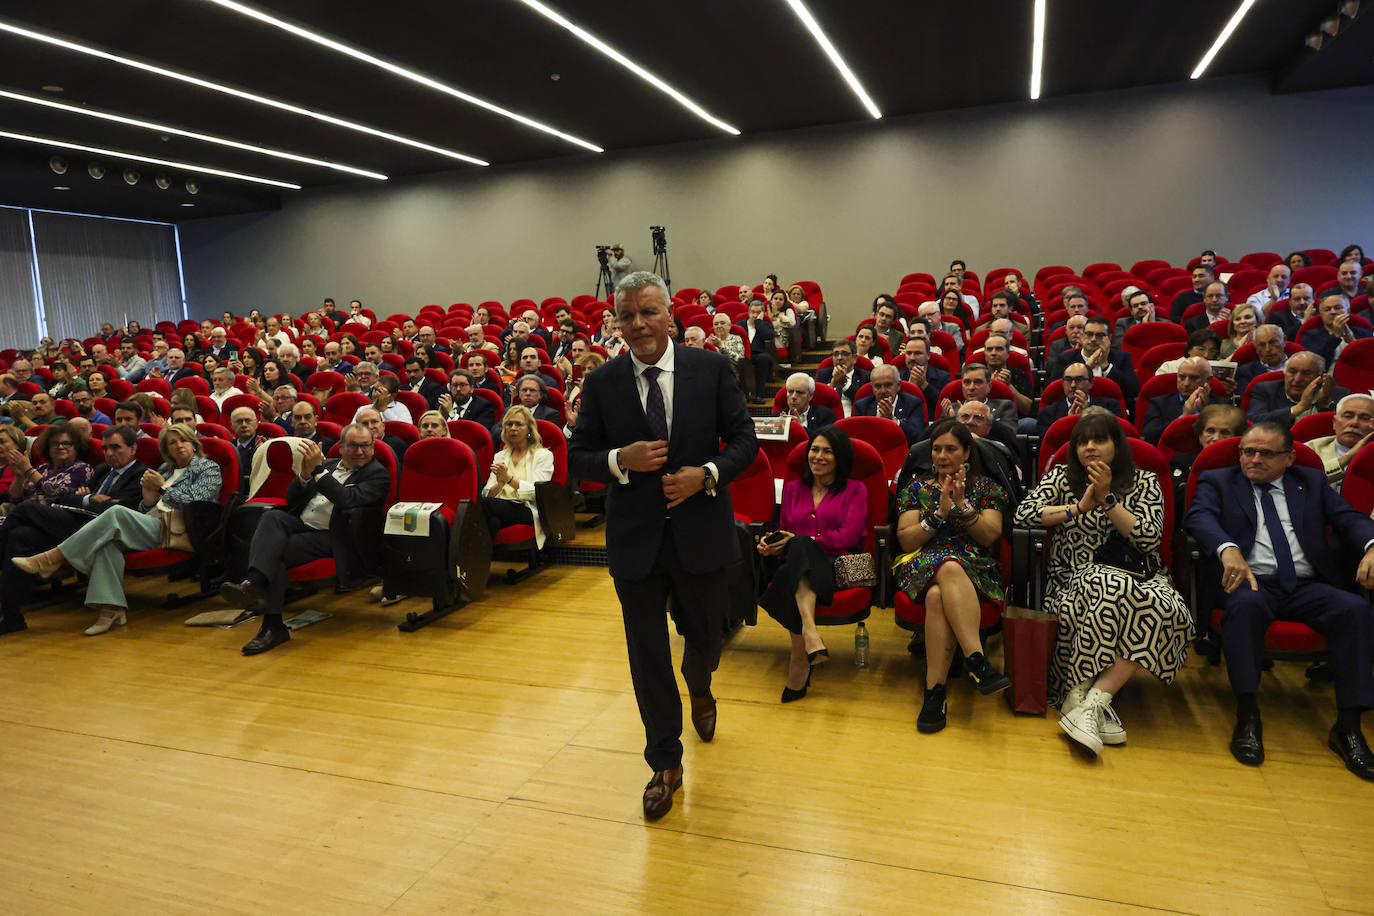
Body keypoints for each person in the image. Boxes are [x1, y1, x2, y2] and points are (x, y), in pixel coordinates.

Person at [567, 271, 757, 820]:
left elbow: (744, 440)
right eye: (627, 316)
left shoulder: (711, 368)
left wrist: (710, 474)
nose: (639, 324)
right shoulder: (602, 382)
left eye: (648, 312)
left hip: (701, 532)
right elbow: (578, 455)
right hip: (635, 541)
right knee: (647, 653)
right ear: (617, 322)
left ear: (670, 315)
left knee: (704, 639)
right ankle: (664, 762)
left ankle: (700, 686)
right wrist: (616, 461)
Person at [1185, 423, 1374, 779]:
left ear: (1289, 458)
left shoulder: (1312, 482)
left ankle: (1348, 728)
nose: (1254, 459)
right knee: (1245, 607)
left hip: (1307, 584)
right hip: (1250, 581)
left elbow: (1350, 519)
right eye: (1247, 451)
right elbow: (1199, 517)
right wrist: (1227, 549)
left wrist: (1372, 546)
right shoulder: (1219, 480)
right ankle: (1248, 716)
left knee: (1356, 610)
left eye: (1266, 454)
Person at [1014, 410, 1192, 755]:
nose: (1090, 447)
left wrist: (1109, 499)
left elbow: (1148, 538)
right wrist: (1078, 508)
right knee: (1107, 583)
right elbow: (1024, 514)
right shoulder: (1063, 478)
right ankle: (1089, 702)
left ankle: (1088, 701)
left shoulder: (1144, 481)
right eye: (1083, 441)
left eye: (1099, 440)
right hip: (1071, 579)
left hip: (1140, 576)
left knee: (1170, 606)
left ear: (1117, 445)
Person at [12, 424, 221, 636]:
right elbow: (145, 507)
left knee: (116, 512)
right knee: (106, 543)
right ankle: (111, 610)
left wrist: (163, 488)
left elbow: (197, 505)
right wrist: (148, 498)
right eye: (171, 443)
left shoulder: (208, 468)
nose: (178, 446)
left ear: (194, 444)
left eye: (182, 441)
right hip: (152, 521)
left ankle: (50, 559)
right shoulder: (165, 470)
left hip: (180, 527)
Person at [220, 423, 390, 655]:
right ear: (340, 448)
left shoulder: (377, 473)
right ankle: (254, 586)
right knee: (273, 517)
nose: (360, 451)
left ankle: (270, 621)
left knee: (276, 553)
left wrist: (318, 471)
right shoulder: (327, 465)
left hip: (336, 537)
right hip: (301, 525)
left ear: (373, 448)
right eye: (353, 446)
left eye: (365, 446)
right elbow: (291, 499)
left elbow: (348, 499)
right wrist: (304, 475)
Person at [893, 420, 1011, 733]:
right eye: (936, 449)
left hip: (976, 565)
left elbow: (989, 536)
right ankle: (977, 660)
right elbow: (906, 540)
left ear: (967, 452)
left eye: (951, 449)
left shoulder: (986, 487)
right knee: (946, 564)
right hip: (922, 562)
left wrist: (960, 504)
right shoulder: (916, 488)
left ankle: (934, 692)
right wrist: (938, 516)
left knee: (936, 596)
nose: (942, 455)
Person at [0, 425, 148, 635]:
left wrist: (85, 500)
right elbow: (67, 498)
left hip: (98, 528)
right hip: (74, 519)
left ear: (133, 449)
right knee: (20, 536)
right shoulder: (102, 470)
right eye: (106, 448)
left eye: (116, 447)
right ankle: (11, 615)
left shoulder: (141, 473)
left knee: (25, 509)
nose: (109, 453)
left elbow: (117, 509)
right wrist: (88, 499)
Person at [756, 426, 866, 701]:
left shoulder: (855, 489)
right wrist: (771, 543)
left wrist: (803, 540)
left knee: (801, 546)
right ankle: (810, 637)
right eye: (814, 449)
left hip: (838, 566)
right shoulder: (793, 489)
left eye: (827, 451)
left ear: (839, 457)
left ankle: (799, 654)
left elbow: (848, 536)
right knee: (797, 552)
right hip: (796, 563)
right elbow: (785, 531)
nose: (818, 456)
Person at [479, 405, 555, 544]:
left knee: (479, 504)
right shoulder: (500, 456)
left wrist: (509, 479)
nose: (513, 428)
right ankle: (482, 564)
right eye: (509, 424)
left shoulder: (543, 455)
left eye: (519, 424)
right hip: (500, 507)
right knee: (493, 522)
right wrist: (500, 485)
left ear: (529, 430)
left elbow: (537, 492)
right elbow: (488, 493)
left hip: (527, 509)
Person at [1, 424, 92, 520]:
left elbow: (55, 492)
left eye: (66, 443)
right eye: (55, 444)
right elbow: (15, 497)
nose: (60, 447)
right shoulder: (42, 468)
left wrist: (28, 470)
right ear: (48, 448)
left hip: (50, 519)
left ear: (77, 447)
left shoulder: (82, 469)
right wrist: (18, 477)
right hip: (23, 515)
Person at [1246, 351, 1348, 426]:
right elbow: (1253, 421)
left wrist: (1325, 404)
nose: (1297, 379)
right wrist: (1299, 407)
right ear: (1284, 373)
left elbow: (1344, 426)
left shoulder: (1338, 394)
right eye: (1292, 372)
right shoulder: (1266, 390)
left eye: (1306, 373)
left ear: (1320, 377)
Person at [1140, 357, 1225, 442]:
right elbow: (1149, 436)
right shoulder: (1159, 403)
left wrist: (1205, 412)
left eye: (1193, 378)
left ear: (1208, 380)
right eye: (1182, 377)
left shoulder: (1223, 405)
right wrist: (1184, 417)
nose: (1186, 383)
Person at [1305, 394, 1374, 490]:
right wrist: (1349, 456)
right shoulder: (1310, 450)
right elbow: (1303, 483)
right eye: (1348, 416)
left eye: (1364, 418)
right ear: (1334, 422)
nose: (1354, 423)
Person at [1037, 362, 1123, 433]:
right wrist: (1069, 422)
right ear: (1063, 384)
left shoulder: (1110, 407)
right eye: (1068, 380)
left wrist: (1087, 415)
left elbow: (1117, 437)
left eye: (1079, 380)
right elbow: (1048, 445)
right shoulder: (1047, 414)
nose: (1073, 385)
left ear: (1091, 383)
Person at [853, 364, 926, 444]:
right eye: (878, 386)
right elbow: (857, 439)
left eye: (888, 385)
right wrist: (876, 423)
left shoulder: (913, 403)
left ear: (898, 386)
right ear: (872, 388)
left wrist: (893, 420)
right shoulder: (862, 406)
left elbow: (919, 436)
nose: (883, 391)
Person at [1304, 294, 1371, 365]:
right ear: (1321, 314)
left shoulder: (1364, 333)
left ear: (1348, 311)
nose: (1333, 312)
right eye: (1327, 309)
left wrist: (1352, 342)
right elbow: (1314, 364)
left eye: (1338, 308)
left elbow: (1369, 360)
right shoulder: (1310, 335)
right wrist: (1336, 336)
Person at [898, 336, 950, 419]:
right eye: (908, 353)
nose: (912, 358)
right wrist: (909, 388)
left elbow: (944, 407)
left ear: (928, 355)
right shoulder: (897, 377)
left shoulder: (943, 377)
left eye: (917, 353)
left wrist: (925, 385)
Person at [815, 339, 869, 411]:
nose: (839, 358)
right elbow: (817, 402)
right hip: (828, 418)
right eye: (836, 354)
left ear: (854, 358)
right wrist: (832, 384)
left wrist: (845, 385)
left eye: (845, 354)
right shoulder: (823, 374)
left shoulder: (864, 376)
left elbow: (864, 403)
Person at [1235, 324, 1289, 395]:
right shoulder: (1245, 372)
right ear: (1256, 347)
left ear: (1284, 341)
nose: (1268, 349)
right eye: (1262, 345)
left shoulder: (1300, 363)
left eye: (1272, 342)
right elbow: (1248, 400)